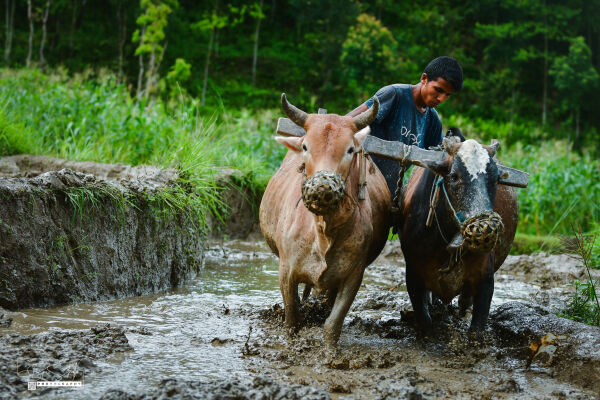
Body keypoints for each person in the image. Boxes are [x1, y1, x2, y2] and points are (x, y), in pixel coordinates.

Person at [347, 56, 463, 198]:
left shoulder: (433, 120)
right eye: (438, 90)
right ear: (424, 79)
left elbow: (441, 158)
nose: (441, 98)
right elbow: (348, 122)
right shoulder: (395, 95)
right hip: (364, 183)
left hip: (393, 192)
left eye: (447, 95)